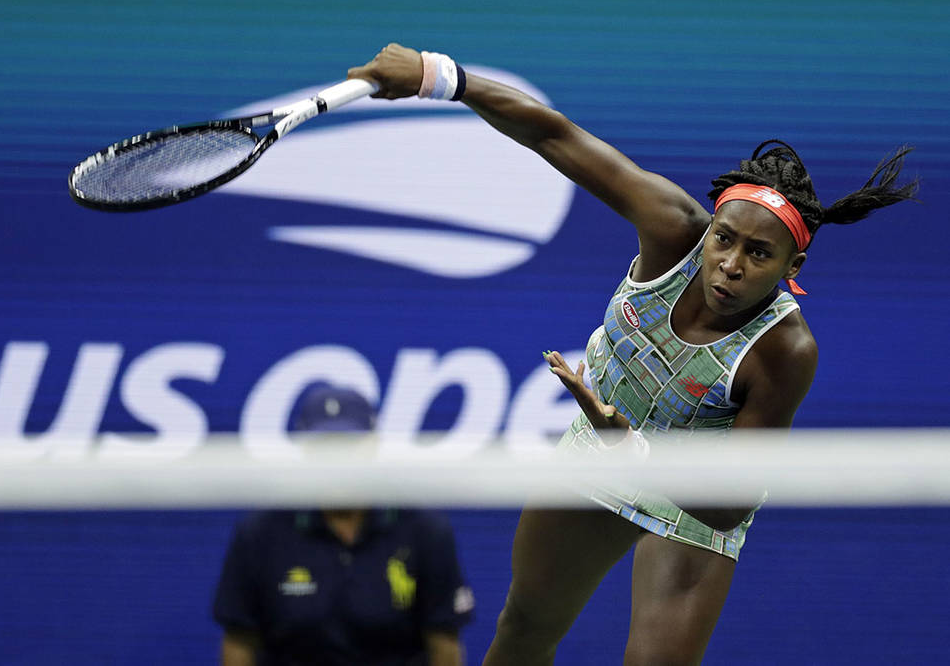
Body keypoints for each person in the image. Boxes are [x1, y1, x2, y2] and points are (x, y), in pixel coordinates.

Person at [347, 43, 918, 665]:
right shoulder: (673, 228)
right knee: (525, 628)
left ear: (792, 267)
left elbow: (728, 505)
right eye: (724, 240)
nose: (729, 266)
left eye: (759, 255)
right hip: (596, 453)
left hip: (695, 501)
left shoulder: (785, 350)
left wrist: (638, 452)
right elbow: (553, 134)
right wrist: (438, 76)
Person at [212, 383, 475, 666]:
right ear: (303, 450)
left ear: (374, 446)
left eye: (348, 445)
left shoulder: (424, 531)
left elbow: (444, 646)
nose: (336, 459)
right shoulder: (260, 534)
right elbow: (239, 643)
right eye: (324, 446)